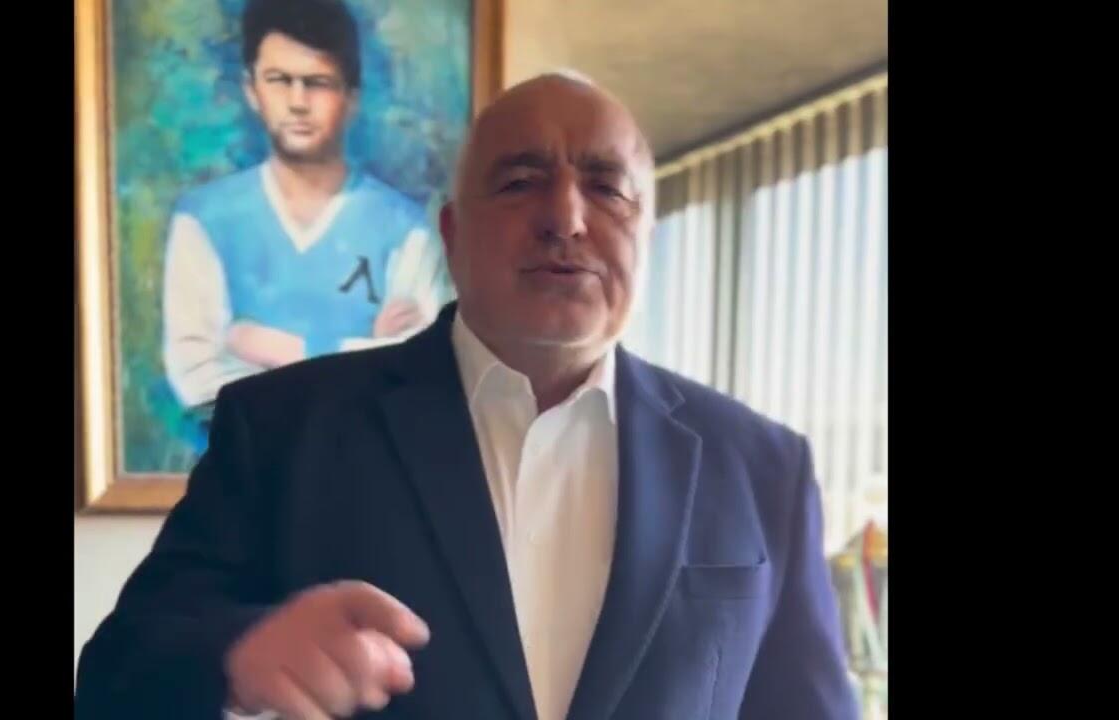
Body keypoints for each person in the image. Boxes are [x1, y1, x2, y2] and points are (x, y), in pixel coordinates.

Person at [76, 72, 860, 720]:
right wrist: (238, 658)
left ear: (645, 236)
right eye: (520, 182)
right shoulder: (282, 427)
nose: (566, 218)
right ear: (452, 236)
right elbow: (115, 674)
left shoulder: (763, 467)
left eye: (607, 188)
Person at [162, 0, 444, 447]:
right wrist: (361, 353)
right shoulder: (203, 220)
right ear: (251, 89)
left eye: (318, 83)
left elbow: (419, 375)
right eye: (279, 80)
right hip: (243, 474)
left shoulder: (406, 231)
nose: (297, 102)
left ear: (351, 98)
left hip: (364, 475)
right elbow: (197, 376)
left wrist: (281, 349)